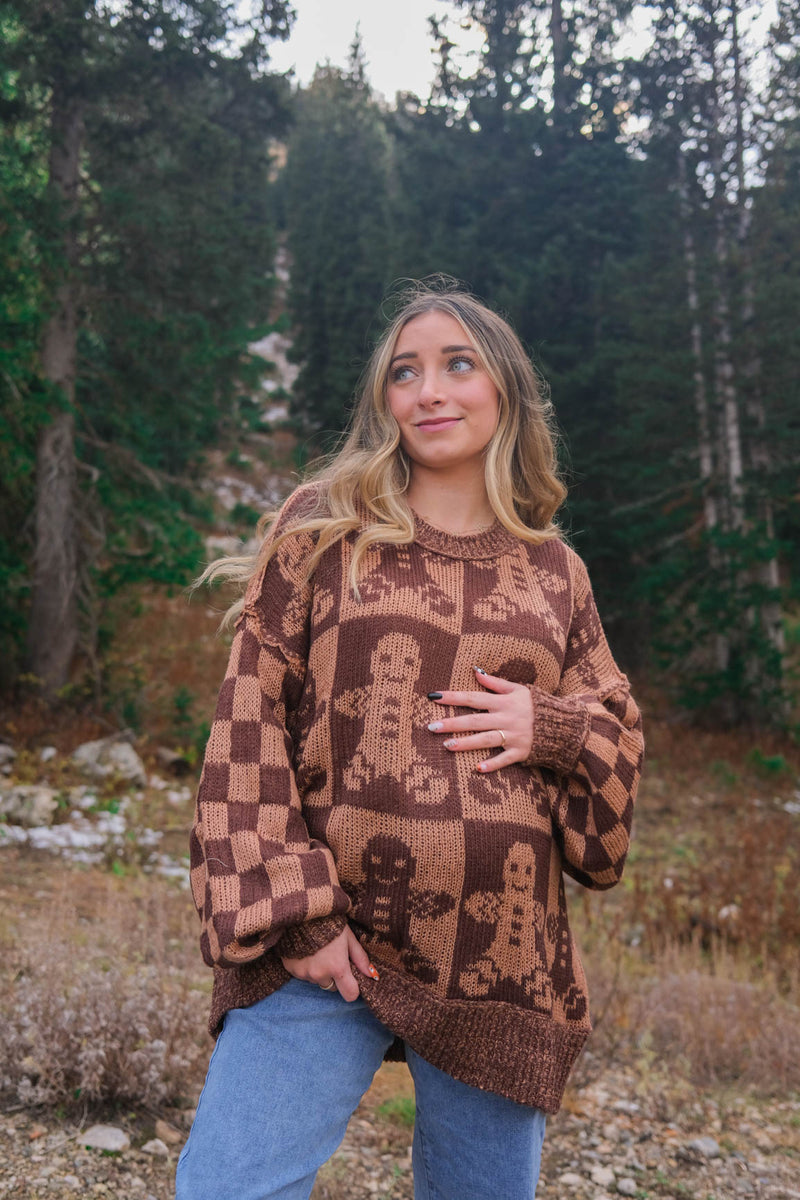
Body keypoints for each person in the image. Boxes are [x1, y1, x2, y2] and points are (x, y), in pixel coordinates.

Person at [175, 280, 644, 1200]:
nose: (429, 390)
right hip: (326, 946)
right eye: (405, 373)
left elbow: (616, 758)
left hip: (499, 966)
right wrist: (295, 915)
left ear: (504, 389)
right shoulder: (322, 530)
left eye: (457, 365)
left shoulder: (556, 574)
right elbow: (246, 723)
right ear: (384, 403)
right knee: (228, 1187)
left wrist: (547, 727)